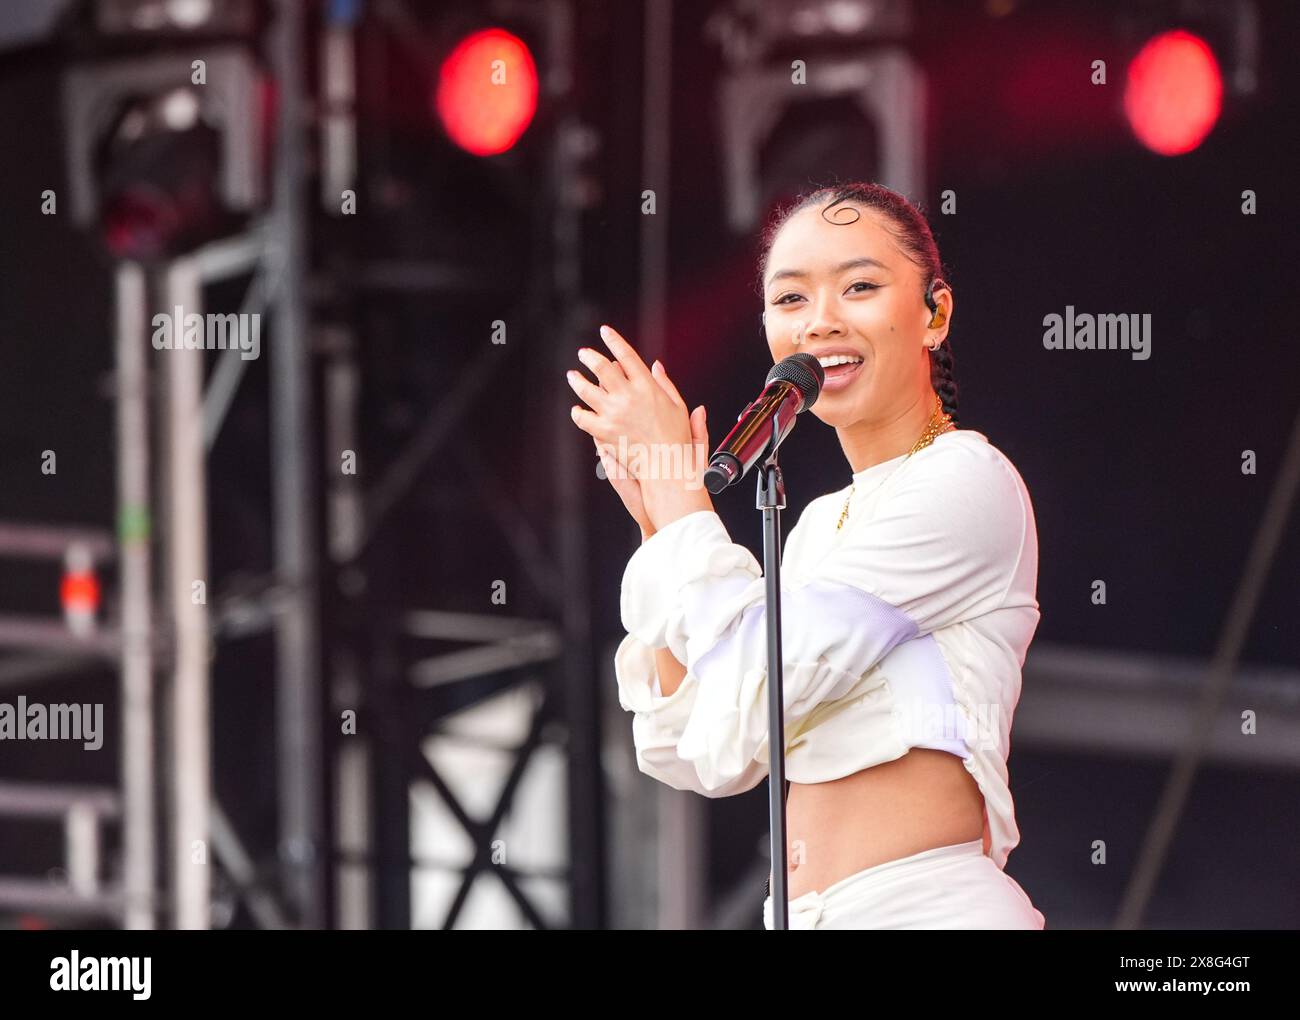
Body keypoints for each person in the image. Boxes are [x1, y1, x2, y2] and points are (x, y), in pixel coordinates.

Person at [566, 181, 1045, 930]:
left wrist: (683, 501)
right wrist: (662, 523)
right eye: (790, 300)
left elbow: (763, 673)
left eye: (859, 287)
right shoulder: (820, 524)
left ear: (935, 312)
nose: (821, 322)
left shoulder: (966, 481)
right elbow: (701, 750)